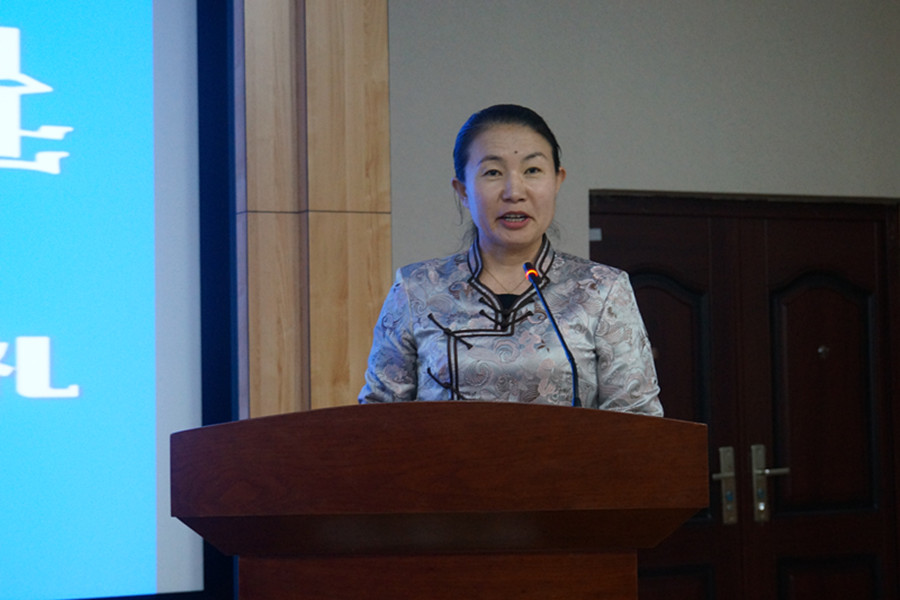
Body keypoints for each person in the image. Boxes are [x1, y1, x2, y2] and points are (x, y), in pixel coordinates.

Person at [359, 104, 662, 416]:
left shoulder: (603, 290)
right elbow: (376, 420)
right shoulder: (416, 289)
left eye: (532, 170)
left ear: (557, 181)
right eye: (493, 172)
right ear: (462, 190)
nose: (514, 192)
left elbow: (639, 421)